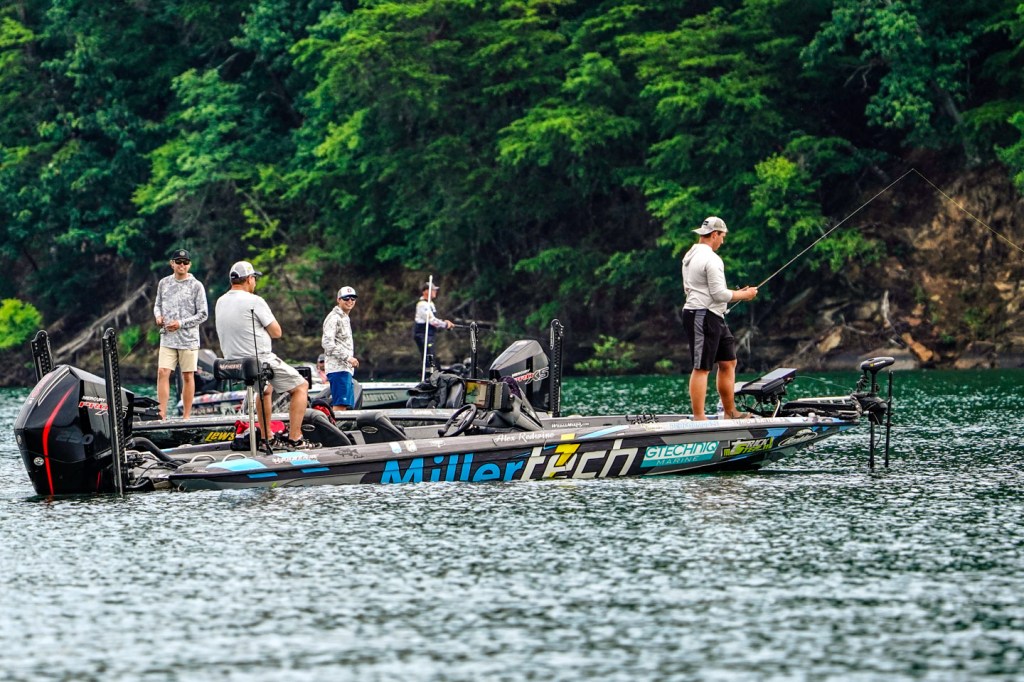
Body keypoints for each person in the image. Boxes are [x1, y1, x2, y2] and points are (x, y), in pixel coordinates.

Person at [214, 260, 315, 449]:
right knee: (301, 386)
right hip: (259, 360)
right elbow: (277, 332)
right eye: (254, 278)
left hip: (232, 362)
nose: (254, 282)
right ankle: (296, 439)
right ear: (249, 279)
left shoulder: (220, 301)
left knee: (265, 390)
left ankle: (267, 438)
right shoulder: (255, 301)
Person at [681, 216, 758, 420]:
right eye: (722, 236)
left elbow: (708, 290)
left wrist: (737, 293)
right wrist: (745, 295)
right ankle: (699, 418)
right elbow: (719, 294)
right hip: (701, 314)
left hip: (713, 314)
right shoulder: (711, 259)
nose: (722, 241)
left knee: (728, 362)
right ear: (714, 234)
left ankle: (730, 413)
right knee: (702, 367)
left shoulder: (690, 254)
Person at [153, 248, 208, 420]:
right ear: (172, 264)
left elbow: (203, 314)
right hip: (167, 338)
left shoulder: (196, 286)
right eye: (178, 262)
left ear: (189, 265)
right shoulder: (163, 283)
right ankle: (162, 414)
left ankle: (186, 416)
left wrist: (181, 324)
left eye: (185, 262)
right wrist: (158, 316)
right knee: (163, 372)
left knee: (188, 375)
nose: (182, 265)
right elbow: (157, 305)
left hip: (188, 339)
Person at [321, 286, 360, 412]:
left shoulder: (345, 317)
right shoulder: (334, 317)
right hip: (338, 369)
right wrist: (348, 358)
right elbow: (327, 343)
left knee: (346, 406)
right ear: (338, 300)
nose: (350, 301)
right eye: (346, 298)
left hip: (345, 369)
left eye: (353, 298)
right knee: (340, 405)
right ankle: (334, 425)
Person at [412, 281, 454, 365]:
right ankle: (429, 371)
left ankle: (432, 370)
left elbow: (434, 319)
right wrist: (445, 325)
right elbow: (432, 321)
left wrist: (444, 322)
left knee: (431, 355)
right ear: (426, 291)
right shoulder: (422, 305)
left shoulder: (430, 303)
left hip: (429, 334)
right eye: (433, 290)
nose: (435, 292)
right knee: (428, 355)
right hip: (423, 334)